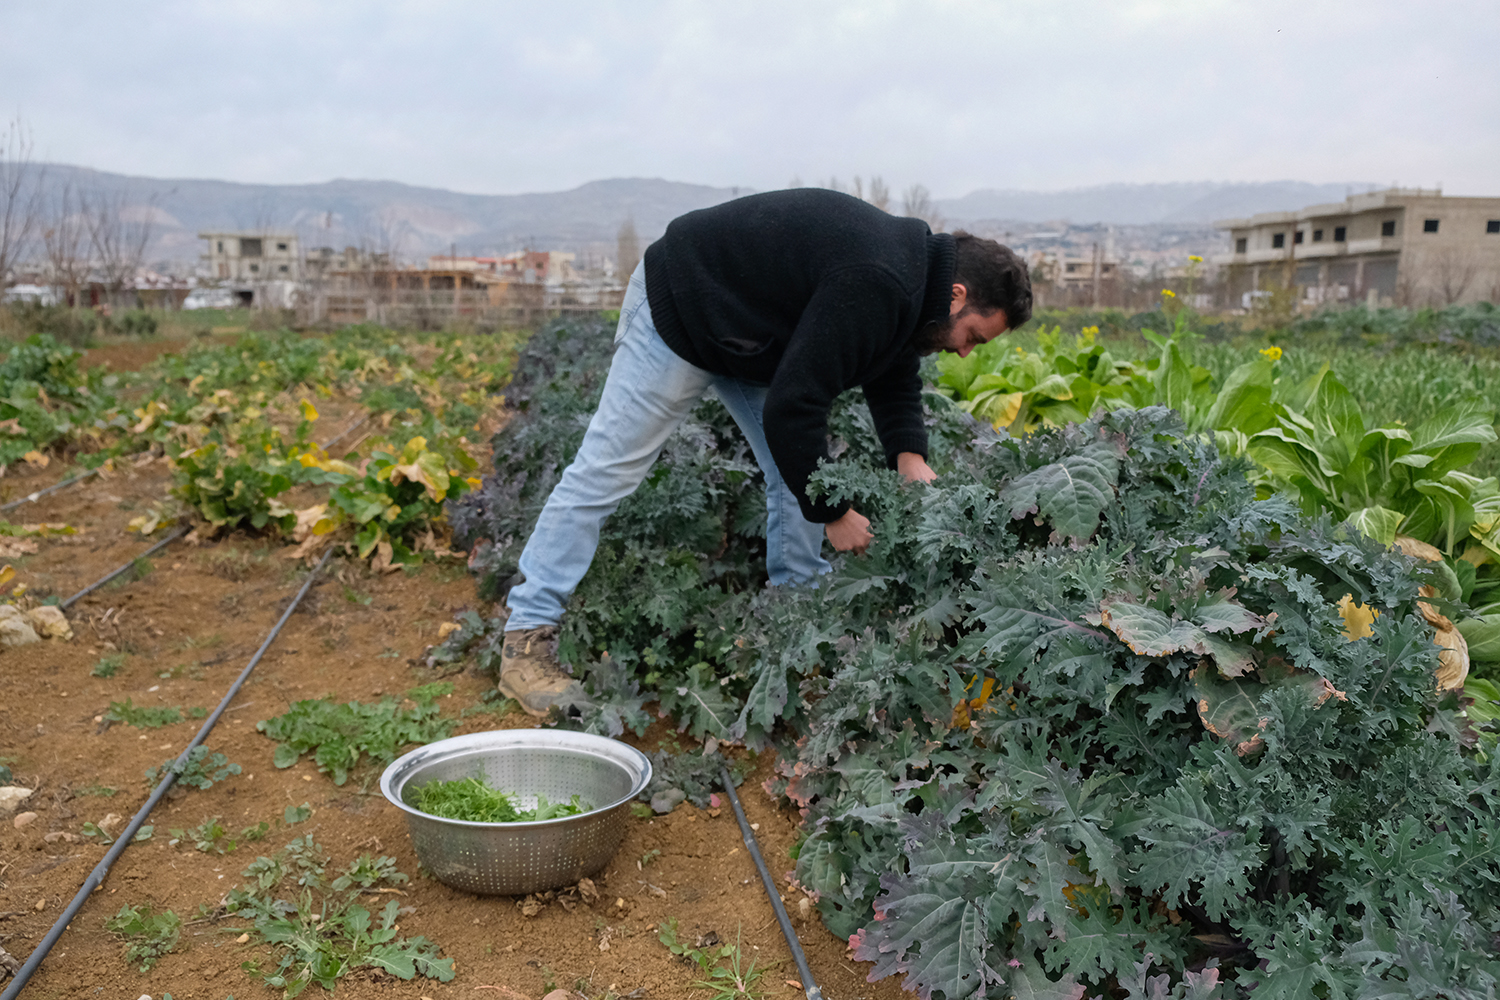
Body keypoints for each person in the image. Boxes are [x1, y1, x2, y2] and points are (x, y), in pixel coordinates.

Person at [497, 188, 1032, 715]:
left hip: (752, 336)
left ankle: (795, 619)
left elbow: (893, 363)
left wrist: (909, 455)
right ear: (957, 295)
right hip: (685, 306)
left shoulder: (915, 284)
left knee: (796, 471)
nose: (964, 350)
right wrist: (835, 515)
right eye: (973, 337)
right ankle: (525, 637)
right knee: (607, 471)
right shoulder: (883, 278)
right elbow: (793, 407)